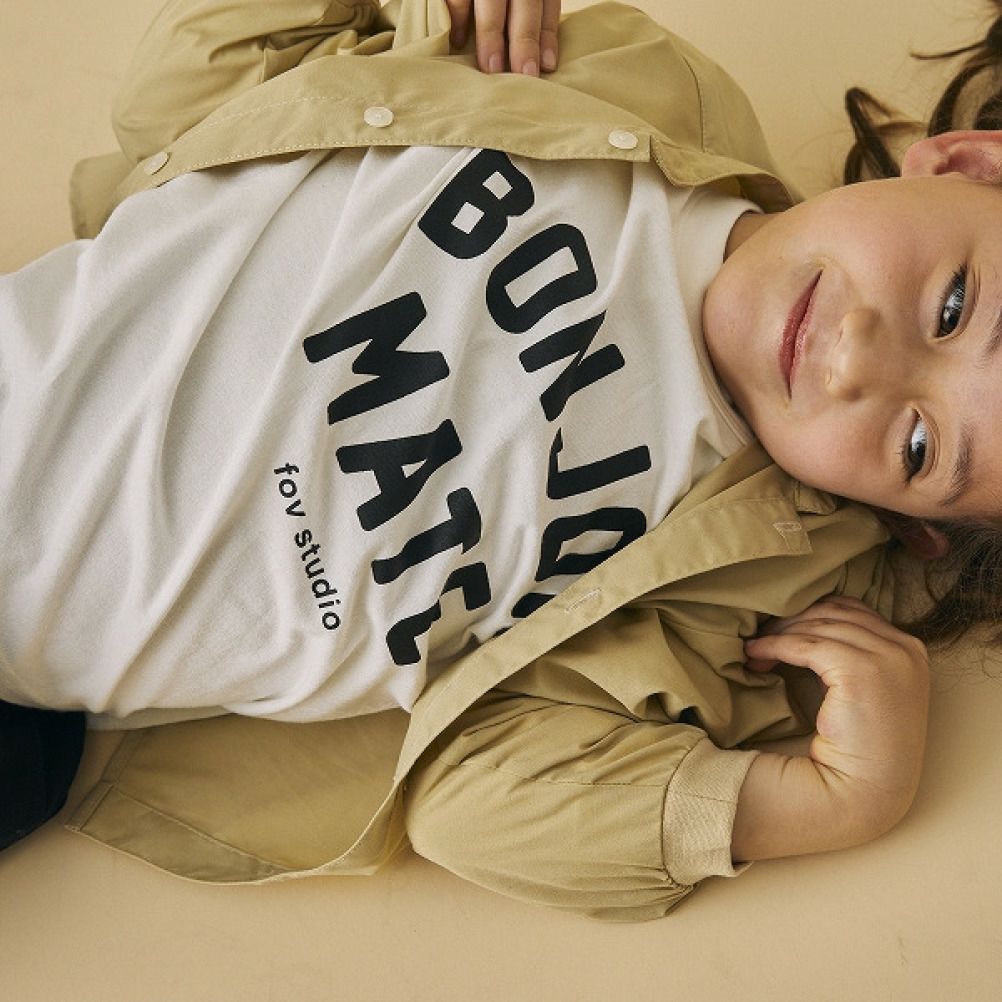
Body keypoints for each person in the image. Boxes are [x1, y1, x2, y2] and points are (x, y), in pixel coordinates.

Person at [0, 0, 999, 919]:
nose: (855, 361)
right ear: (969, 165)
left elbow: (470, 804)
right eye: (953, 305)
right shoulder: (633, 84)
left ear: (914, 523)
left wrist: (829, 803)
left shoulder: (735, 592)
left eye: (919, 445)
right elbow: (184, 91)